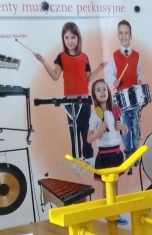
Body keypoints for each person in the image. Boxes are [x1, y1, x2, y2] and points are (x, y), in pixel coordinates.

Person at [34, 22, 105, 160]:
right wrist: (43, 62)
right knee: (74, 132)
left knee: (86, 131)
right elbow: (55, 76)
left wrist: (99, 68)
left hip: (84, 101)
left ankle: (89, 159)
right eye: (66, 37)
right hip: (69, 101)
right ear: (63, 39)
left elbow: (88, 79)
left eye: (73, 37)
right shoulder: (61, 57)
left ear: (78, 38)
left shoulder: (84, 57)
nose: (70, 41)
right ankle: (76, 160)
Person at [105, 19, 145, 159]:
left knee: (136, 125)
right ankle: (128, 152)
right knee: (125, 125)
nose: (123, 36)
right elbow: (109, 75)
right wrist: (114, 81)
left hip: (135, 97)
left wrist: (139, 81)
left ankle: (137, 153)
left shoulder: (137, 56)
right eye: (121, 33)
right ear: (118, 36)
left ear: (130, 35)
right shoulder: (114, 56)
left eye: (126, 33)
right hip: (121, 98)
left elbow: (140, 73)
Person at [87, 78, 128, 178]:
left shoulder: (115, 111)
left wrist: (124, 128)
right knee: (104, 184)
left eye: (104, 89)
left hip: (116, 153)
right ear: (94, 95)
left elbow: (125, 131)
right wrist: (100, 131)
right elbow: (89, 139)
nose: (102, 92)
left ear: (108, 92)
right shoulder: (95, 115)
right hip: (103, 156)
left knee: (115, 183)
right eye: (98, 90)